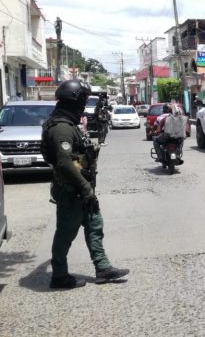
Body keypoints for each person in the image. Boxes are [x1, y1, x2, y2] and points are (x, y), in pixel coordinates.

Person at [41, 80, 129, 289]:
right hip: (73, 190)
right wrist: (85, 187)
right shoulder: (62, 128)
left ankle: (103, 268)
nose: (84, 105)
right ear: (75, 101)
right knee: (65, 233)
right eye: (82, 100)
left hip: (82, 188)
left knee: (94, 225)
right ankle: (59, 276)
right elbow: (64, 162)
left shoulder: (67, 123)